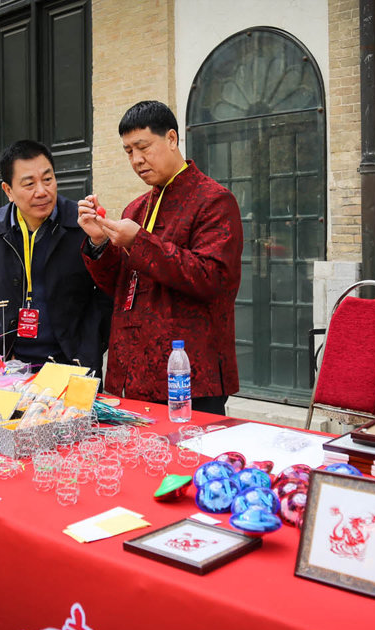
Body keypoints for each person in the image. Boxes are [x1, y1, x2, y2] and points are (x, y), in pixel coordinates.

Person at [77, 101, 242, 414]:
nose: (136, 160)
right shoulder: (136, 208)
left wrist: (138, 241)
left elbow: (212, 279)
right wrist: (99, 241)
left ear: (171, 139)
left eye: (143, 147)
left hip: (189, 373)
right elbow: (119, 288)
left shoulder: (214, 201)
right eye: (129, 151)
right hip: (132, 370)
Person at [0, 140, 112, 373]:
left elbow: (107, 291)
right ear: (8, 191)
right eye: (29, 184)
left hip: (72, 365)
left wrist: (90, 345)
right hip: (7, 366)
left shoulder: (82, 224)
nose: (42, 191)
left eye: (47, 179)